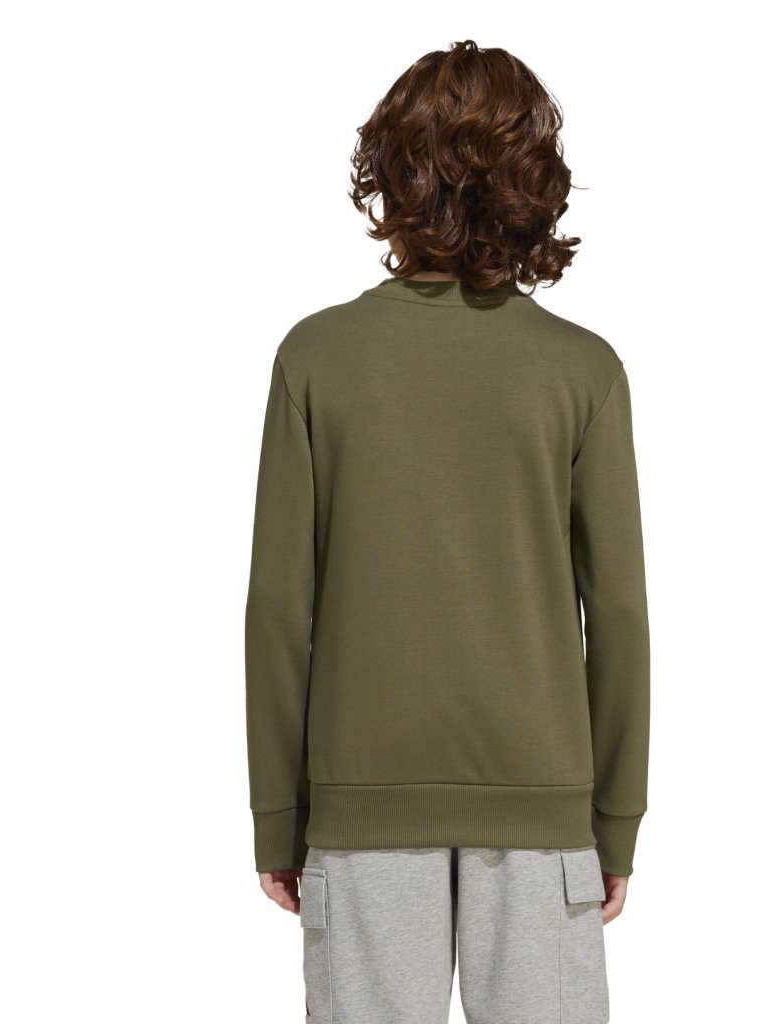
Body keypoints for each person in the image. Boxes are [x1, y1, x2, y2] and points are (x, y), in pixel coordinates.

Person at [244, 39, 650, 1024]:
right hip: (541, 802)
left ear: (390, 172)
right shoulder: (582, 370)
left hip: (360, 801)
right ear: (534, 181)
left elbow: (279, 611)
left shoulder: (317, 357)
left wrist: (279, 817)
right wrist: (613, 819)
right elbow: (620, 615)